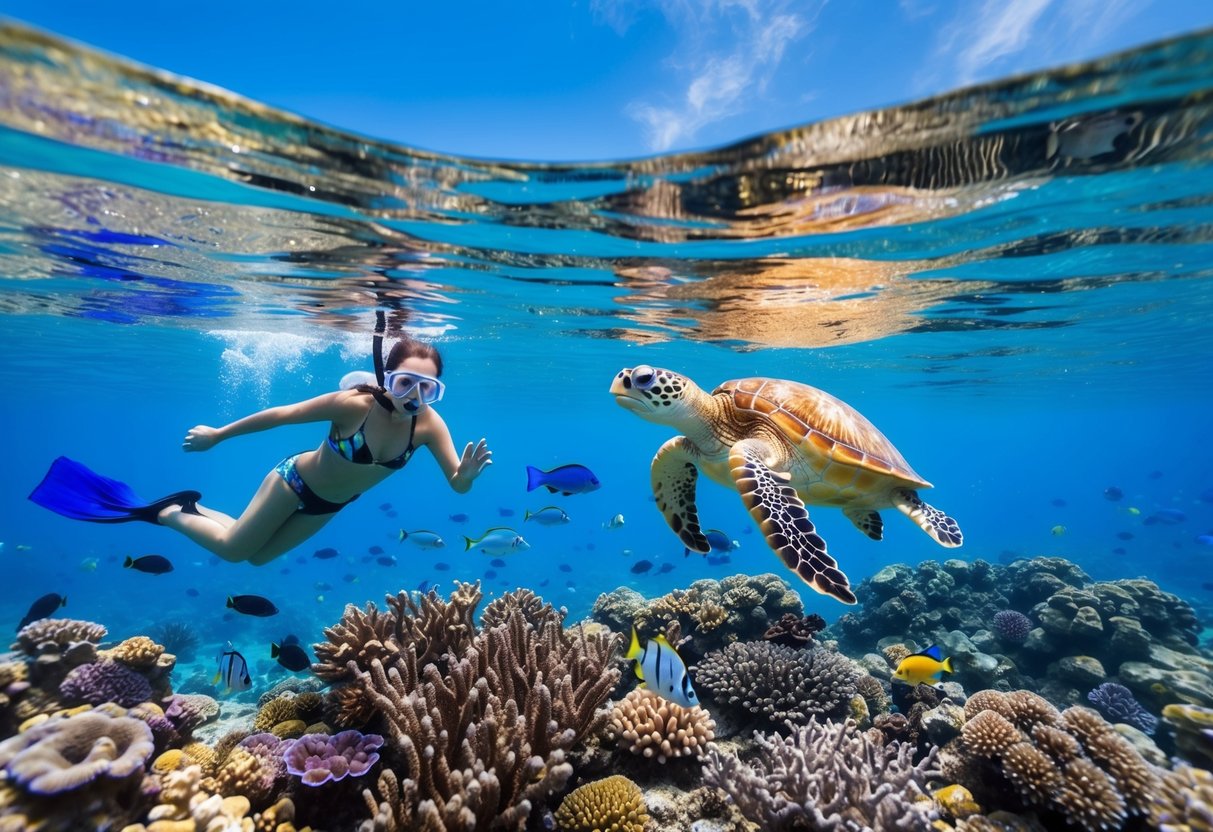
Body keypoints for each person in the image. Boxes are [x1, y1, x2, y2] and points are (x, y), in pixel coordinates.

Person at [29, 337, 491, 566]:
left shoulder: (429, 425)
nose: (413, 395)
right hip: (293, 483)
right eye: (404, 381)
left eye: (426, 387)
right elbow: (281, 415)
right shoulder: (353, 405)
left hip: (329, 505)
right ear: (385, 376)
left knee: (258, 558)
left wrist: (465, 477)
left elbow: (457, 486)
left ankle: (193, 508)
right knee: (233, 552)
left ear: (435, 392)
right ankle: (170, 513)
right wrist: (218, 435)